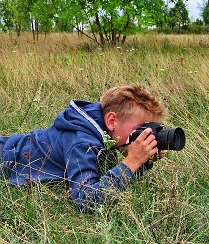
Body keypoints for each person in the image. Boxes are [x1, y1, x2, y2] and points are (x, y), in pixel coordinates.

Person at [0, 84, 168, 212]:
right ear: (112, 121)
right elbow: (86, 200)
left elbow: (104, 176)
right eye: (140, 128)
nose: (144, 135)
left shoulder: (102, 132)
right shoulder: (83, 143)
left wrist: (142, 162)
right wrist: (132, 161)